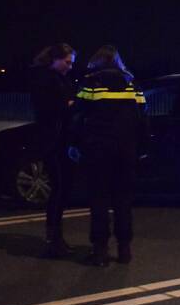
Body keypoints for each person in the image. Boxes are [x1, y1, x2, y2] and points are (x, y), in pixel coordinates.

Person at [70, 45, 147, 266]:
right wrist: (141, 147)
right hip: (126, 150)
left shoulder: (91, 83)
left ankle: (100, 251)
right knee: (123, 200)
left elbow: (78, 116)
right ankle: (124, 249)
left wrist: (75, 144)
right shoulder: (132, 84)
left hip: (98, 150)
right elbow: (143, 119)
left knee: (99, 200)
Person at [29, 43, 77, 258]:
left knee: (61, 188)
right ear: (55, 59)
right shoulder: (44, 79)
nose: (70, 67)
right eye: (67, 62)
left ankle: (56, 237)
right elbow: (52, 108)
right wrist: (69, 105)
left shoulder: (57, 78)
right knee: (58, 188)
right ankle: (54, 239)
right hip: (52, 141)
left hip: (59, 139)